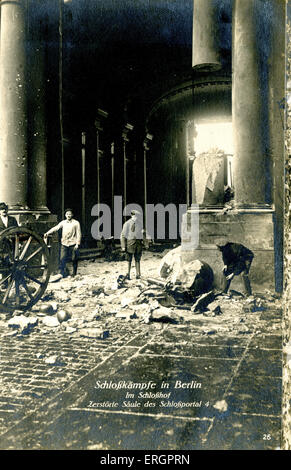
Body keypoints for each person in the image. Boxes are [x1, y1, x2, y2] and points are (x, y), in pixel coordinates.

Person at [44, 208, 81, 278]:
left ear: (72, 215)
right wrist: (47, 233)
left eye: (70, 214)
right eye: (67, 214)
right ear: (65, 215)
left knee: (74, 259)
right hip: (64, 243)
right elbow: (56, 228)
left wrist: (77, 244)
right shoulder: (63, 222)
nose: (68, 215)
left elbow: (79, 233)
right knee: (62, 258)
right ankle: (62, 273)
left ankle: (74, 273)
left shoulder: (76, 223)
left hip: (73, 243)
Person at [120, 210, 146, 280]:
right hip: (130, 244)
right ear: (132, 216)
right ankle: (128, 274)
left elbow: (142, 235)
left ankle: (138, 274)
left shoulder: (140, 223)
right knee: (129, 260)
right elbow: (123, 235)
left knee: (138, 259)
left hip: (138, 244)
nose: (136, 218)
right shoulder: (127, 224)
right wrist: (123, 246)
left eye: (137, 216)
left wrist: (145, 242)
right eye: (134, 216)